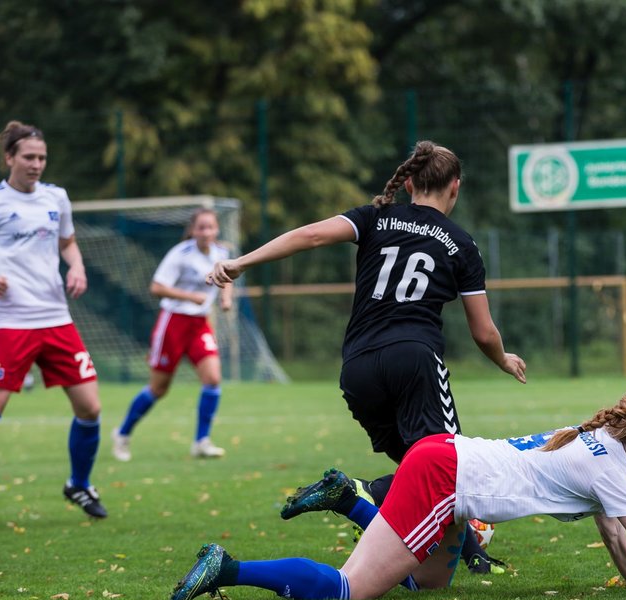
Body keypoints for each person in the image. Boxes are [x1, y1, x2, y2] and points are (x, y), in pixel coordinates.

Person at [206, 140, 526, 573]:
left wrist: (241, 262)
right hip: (413, 360)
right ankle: (360, 491)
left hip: (357, 368)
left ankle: (471, 552)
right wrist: (503, 358)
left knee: (423, 474)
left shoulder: (376, 216)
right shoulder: (460, 244)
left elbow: (311, 234)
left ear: (408, 181)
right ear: (456, 187)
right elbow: (483, 331)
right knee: (449, 469)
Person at [169, 380, 626, 600]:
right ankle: (228, 568)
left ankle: (348, 498)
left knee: (429, 583)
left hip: (449, 469)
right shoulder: (612, 464)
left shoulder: (597, 438)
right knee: (352, 590)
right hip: (444, 478)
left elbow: (612, 528)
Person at [0, 121, 106, 532]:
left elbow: (68, 242)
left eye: (42, 157)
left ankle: (78, 485)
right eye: (28, 157)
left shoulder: (56, 198)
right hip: (11, 324)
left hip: (57, 320)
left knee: (90, 408)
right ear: (9, 157)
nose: (36, 164)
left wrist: (77, 265)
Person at [111, 209, 232, 461]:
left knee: (212, 379)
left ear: (217, 229)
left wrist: (225, 298)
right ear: (192, 230)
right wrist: (190, 297)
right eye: (201, 227)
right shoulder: (180, 254)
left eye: (210, 227)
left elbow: (228, 276)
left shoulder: (222, 253)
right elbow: (156, 288)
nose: (206, 232)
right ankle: (122, 434)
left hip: (199, 324)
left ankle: (202, 441)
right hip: (173, 324)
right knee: (158, 388)